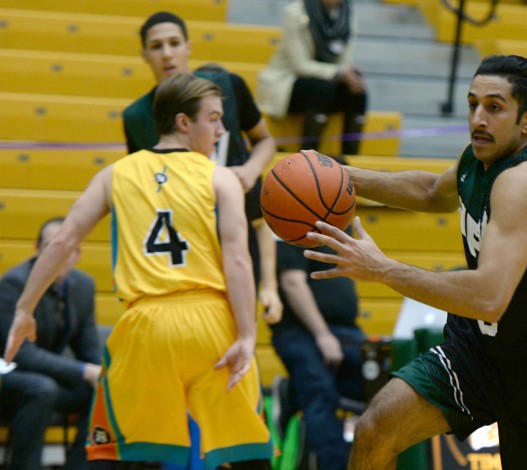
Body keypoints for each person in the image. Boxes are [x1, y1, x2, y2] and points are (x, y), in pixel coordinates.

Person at [301, 55, 527, 469]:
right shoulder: (477, 158)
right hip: (482, 350)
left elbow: (487, 298)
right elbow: (430, 191)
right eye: (473, 104)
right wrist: (341, 175)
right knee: (377, 427)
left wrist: (381, 268)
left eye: (494, 107)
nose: (478, 118)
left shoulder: (523, 182)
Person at [4, 74, 273, 469]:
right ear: (184, 122)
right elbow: (237, 260)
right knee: (249, 455)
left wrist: (24, 309)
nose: (222, 130)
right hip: (211, 325)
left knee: (113, 454)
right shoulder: (222, 178)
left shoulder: (114, 174)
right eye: (213, 119)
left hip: (145, 327)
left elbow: (62, 242)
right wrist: (248, 334)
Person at [125, 12, 283, 324]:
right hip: (182, 241)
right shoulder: (136, 117)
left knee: (239, 334)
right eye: (157, 46)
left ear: (189, 47)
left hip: (236, 232)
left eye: (174, 43)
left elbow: (265, 141)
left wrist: (251, 169)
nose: (167, 53)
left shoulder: (227, 86)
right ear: (144, 55)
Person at [0, 218, 100, 470]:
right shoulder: (14, 283)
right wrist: (83, 371)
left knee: (103, 391)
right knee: (41, 389)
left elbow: (88, 349)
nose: (58, 256)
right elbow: (21, 354)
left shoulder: (83, 286)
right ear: (37, 249)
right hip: (8, 372)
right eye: (50, 247)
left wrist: (103, 375)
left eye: (66, 249)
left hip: (48, 378)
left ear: (77, 253)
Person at [271, 239, 366, 468]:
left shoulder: (340, 218)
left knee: (379, 386)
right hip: (301, 330)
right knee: (320, 393)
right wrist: (322, 334)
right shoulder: (290, 222)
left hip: (348, 329)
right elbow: (291, 282)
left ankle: (291, 393)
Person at [257, 0, 368, 159]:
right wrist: (339, 73)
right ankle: (308, 157)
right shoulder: (295, 12)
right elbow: (301, 65)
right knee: (322, 88)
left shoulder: (347, 15)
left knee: (358, 90)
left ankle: (352, 160)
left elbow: (344, 63)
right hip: (288, 83)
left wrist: (348, 74)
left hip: (327, 85)